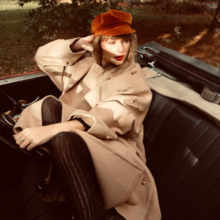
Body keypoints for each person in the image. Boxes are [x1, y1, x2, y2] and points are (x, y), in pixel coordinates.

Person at [13, 9, 161, 220]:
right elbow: (42, 56)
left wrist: (50, 129)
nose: (121, 49)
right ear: (97, 43)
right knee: (49, 104)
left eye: (125, 41)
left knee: (64, 140)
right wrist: (79, 43)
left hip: (115, 151)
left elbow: (110, 116)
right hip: (80, 143)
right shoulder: (86, 65)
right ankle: (60, 173)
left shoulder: (133, 79)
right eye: (111, 42)